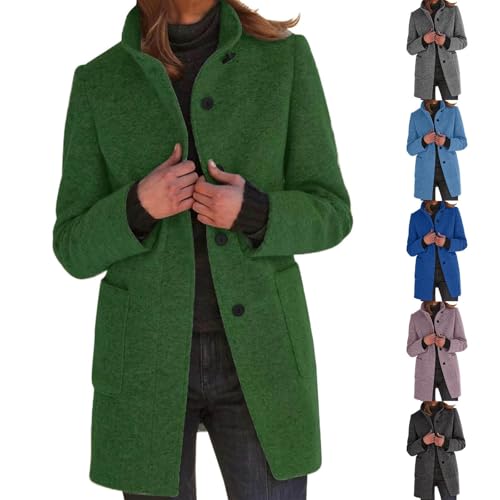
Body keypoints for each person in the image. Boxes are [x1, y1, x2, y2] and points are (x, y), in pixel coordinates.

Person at [51, 0, 353, 498]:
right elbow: (71, 247)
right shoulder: (99, 81)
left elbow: (332, 213)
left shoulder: (285, 60)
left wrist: (255, 211)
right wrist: (136, 206)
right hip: (144, 363)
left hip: (262, 355)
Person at [406, 99, 467, 201]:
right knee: (429, 209)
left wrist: (446, 142)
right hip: (425, 174)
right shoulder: (415, 116)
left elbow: (463, 142)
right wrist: (424, 141)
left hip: (449, 173)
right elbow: (410, 149)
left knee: (449, 208)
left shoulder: (453, 111)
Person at [407, 301, 467, 401]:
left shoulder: (453, 312)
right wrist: (423, 342)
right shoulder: (415, 317)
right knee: (428, 407)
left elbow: (463, 344)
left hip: (449, 373)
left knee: (449, 404)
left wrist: (447, 343)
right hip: (424, 374)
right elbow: (410, 350)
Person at [406, 200, 466, 301]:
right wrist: (423, 241)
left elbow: (463, 243)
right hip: (425, 274)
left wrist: (446, 242)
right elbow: (410, 250)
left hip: (449, 273)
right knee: (428, 310)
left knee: (450, 309)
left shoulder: (453, 212)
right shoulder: (415, 217)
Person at [407, 0, 467, 100]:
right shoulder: (415, 15)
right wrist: (423, 40)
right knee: (429, 108)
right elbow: (410, 48)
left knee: (449, 107)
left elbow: (463, 41)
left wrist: (446, 41)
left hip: (449, 72)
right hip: (424, 74)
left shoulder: (453, 11)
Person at [407, 401, 466, 499]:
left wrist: (445, 443)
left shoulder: (452, 413)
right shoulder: (415, 417)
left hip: (448, 473)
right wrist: (423, 442)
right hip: (424, 474)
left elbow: (461, 443)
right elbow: (410, 450)